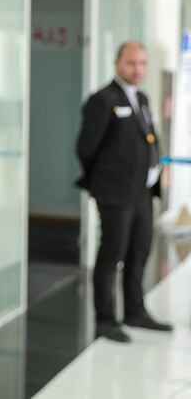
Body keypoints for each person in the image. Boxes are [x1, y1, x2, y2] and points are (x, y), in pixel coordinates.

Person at [76, 41, 173, 343]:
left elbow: (150, 138)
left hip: (142, 193)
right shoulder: (103, 99)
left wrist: (159, 166)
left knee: (139, 250)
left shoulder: (142, 98)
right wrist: (106, 178)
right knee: (112, 252)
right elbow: (85, 148)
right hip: (115, 193)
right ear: (117, 63)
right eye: (131, 63)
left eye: (143, 63)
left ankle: (135, 311)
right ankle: (105, 318)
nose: (138, 69)